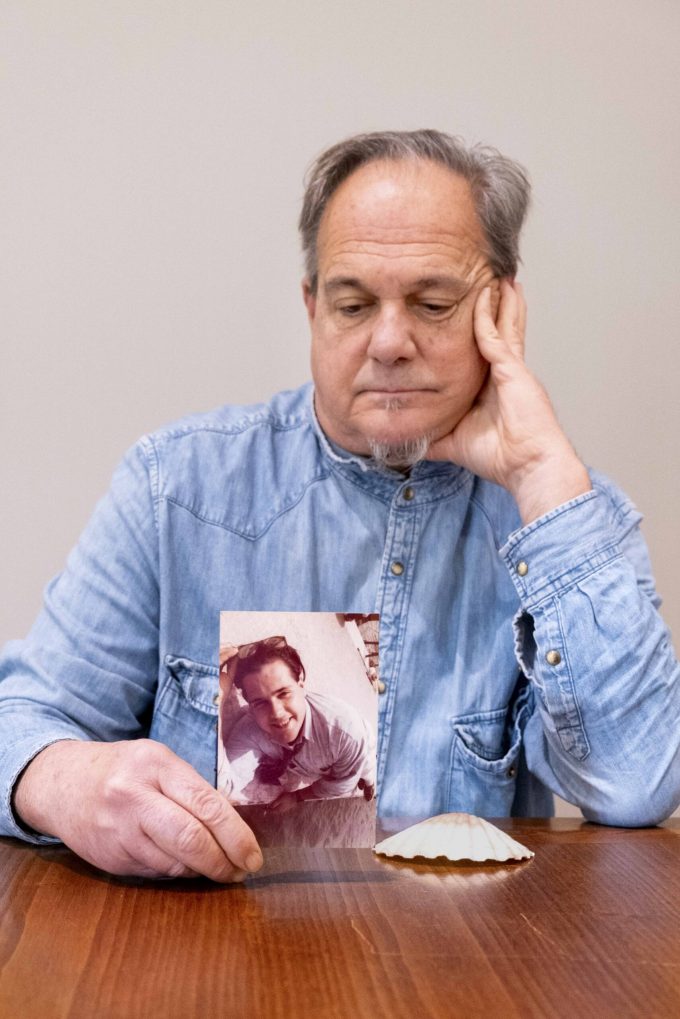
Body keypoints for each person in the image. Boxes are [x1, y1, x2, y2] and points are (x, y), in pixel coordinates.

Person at [1, 129, 679, 883]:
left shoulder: (572, 521)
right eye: (353, 304)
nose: (389, 342)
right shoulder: (178, 488)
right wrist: (63, 779)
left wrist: (542, 476)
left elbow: (637, 784)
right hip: (213, 945)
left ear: (501, 308)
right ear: (312, 306)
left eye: (432, 303)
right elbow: (20, 719)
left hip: (459, 948)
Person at [219, 636, 375, 808]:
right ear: (249, 704)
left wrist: (298, 796)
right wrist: (215, 701)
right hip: (317, 763)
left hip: (362, 748)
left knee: (366, 771)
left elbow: (340, 785)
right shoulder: (250, 730)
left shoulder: (345, 733)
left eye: (283, 693)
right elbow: (224, 788)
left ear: (301, 684)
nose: (277, 713)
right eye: (260, 703)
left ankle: (370, 782)